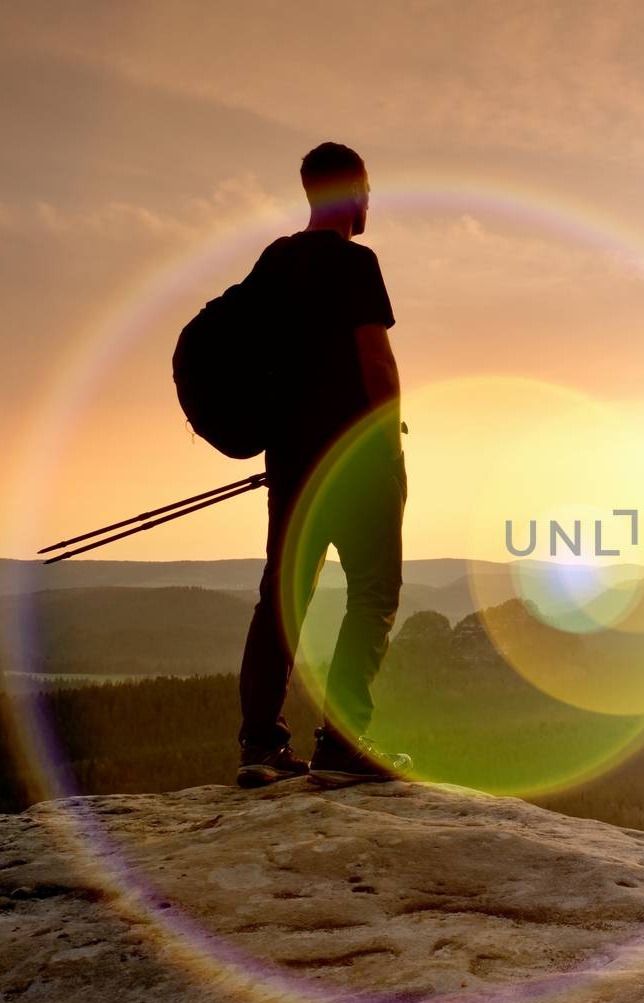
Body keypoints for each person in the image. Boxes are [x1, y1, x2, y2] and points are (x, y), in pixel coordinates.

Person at [235, 142, 412, 787]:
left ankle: (258, 747)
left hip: (290, 461)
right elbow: (377, 365)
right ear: (356, 191)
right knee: (372, 595)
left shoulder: (273, 263)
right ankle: (342, 744)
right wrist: (388, 445)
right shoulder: (356, 264)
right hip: (355, 461)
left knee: (282, 596)